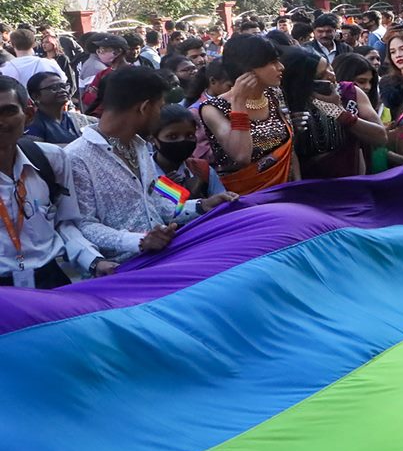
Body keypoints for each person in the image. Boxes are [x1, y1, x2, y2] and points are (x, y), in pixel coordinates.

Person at [67, 67, 237, 268]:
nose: (160, 114)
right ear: (144, 107)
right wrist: (139, 241)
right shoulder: (76, 157)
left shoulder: (139, 146)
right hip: (122, 270)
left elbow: (155, 203)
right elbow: (84, 224)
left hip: (166, 256)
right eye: (160, 107)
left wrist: (201, 206)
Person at [0, 76, 101, 287]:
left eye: (8, 111)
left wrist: (93, 261)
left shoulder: (51, 159)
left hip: (51, 280)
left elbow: (65, 222)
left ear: (29, 115)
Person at [198, 35, 295, 195]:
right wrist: (239, 102)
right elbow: (242, 156)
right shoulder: (213, 109)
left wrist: (297, 187)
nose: (281, 67)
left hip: (286, 191)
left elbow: (290, 150)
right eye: (272, 62)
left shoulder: (274, 94)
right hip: (245, 198)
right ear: (248, 69)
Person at [279, 47, 387, 179]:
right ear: (302, 82)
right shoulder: (283, 103)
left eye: (329, 68)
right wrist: (289, 131)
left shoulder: (349, 92)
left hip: (349, 182)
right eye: (320, 76)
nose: (331, 75)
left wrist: (339, 113)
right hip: (308, 185)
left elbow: (381, 137)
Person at [151, 104, 227, 202]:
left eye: (190, 135)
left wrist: (198, 196)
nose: (182, 141)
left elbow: (223, 204)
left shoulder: (202, 170)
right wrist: (170, 194)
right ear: (153, 139)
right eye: (172, 136)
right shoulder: (143, 174)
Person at [24, 71, 93, 145]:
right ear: (36, 96)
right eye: (54, 88)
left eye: (63, 86)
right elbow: (34, 150)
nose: (62, 90)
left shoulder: (75, 118)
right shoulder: (33, 125)